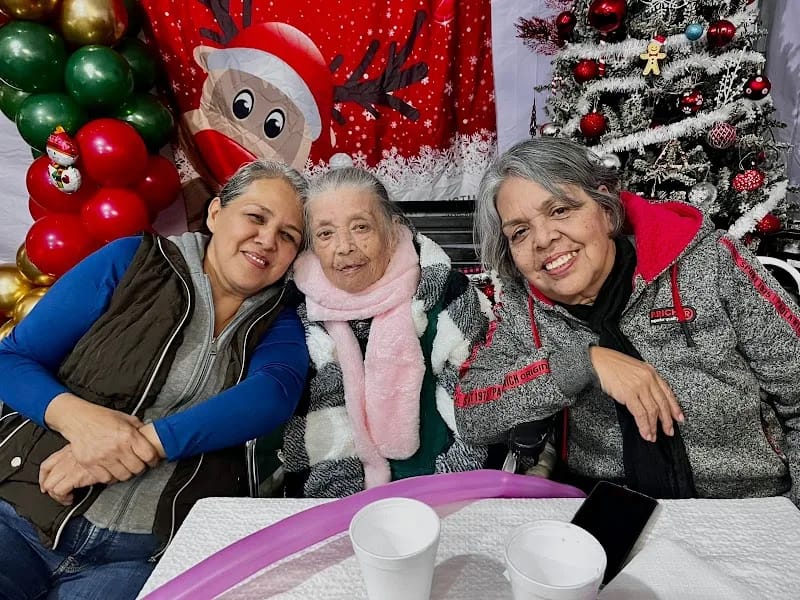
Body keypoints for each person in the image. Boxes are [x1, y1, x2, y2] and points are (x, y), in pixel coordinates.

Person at [0, 159, 310, 600]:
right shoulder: (132, 262)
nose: (267, 240)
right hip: (22, 512)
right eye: (256, 217)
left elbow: (271, 396)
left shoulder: (278, 320)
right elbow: (12, 358)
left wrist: (143, 443)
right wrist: (80, 422)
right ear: (217, 213)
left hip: (145, 554)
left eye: (288, 236)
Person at [456, 136, 800, 503]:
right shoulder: (524, 309)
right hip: (606, 507)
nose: (543, 239)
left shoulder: (710, 263)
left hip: (745, 505)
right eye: (519, 232)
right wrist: (580, 364)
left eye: (560, 210)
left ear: (606, 209)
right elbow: (472, 414)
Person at [282, 166, 494, 497]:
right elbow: (302, 429)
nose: (344, 247)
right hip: (339, 503)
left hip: (446, 491)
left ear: (392, 229)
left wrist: (446, 495)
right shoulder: (301, 312)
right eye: (326, 234)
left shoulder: (447, 292)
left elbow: (481, 411)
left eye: (361, 227)